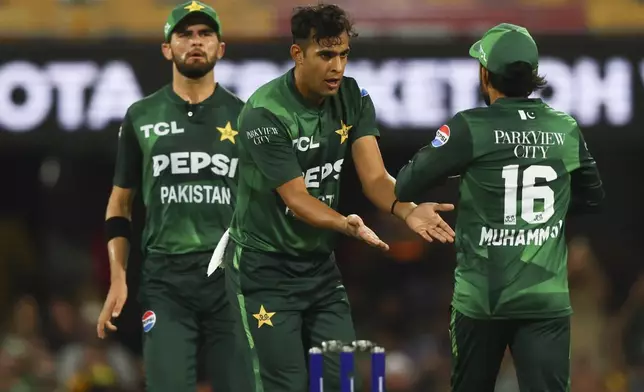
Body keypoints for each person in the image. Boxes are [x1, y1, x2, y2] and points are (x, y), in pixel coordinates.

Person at [213, 4, 455, 392]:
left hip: (319, 271)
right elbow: (296, 198)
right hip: (264, 272)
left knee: (342, 380)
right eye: (326, 55)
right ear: (298, 54)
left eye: (343, 54)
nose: (337, 66)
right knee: (284, 385)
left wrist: (407, 211)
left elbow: (375, 178)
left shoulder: (353, 97)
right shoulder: (265, 112)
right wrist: (345, 223)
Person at [394, 23, 605, 392]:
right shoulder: (565, 128)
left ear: (485, 74)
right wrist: (541, 216)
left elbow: (407, 183)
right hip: (545, 299)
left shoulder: (470, 128)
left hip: (481, 299)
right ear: (533, 76)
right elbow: (593, 196)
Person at [96, 1, 244, 391]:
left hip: (230, 278)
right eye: (184, 34)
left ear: (220, 47)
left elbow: (269, 203)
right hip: (165, 281)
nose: (195, 41)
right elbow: (120, 204)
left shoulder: (248, 117)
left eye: (205, 34)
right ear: (167, 48)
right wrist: (118, 278)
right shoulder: (140, 116)